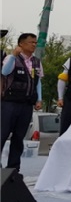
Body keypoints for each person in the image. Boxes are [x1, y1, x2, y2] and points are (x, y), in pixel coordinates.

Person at [1, 33, 43, 173]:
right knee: (3, 133)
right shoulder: (11, 58)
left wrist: (39, 99)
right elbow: (5, 72)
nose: (34, 45)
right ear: (22, 44)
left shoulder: (36, 62)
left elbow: (38, 82)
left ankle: (13, 168)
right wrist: (13, 55)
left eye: (35, 42)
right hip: (10, 103)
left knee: (19, 137)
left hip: (26, 104)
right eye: (31, 42)